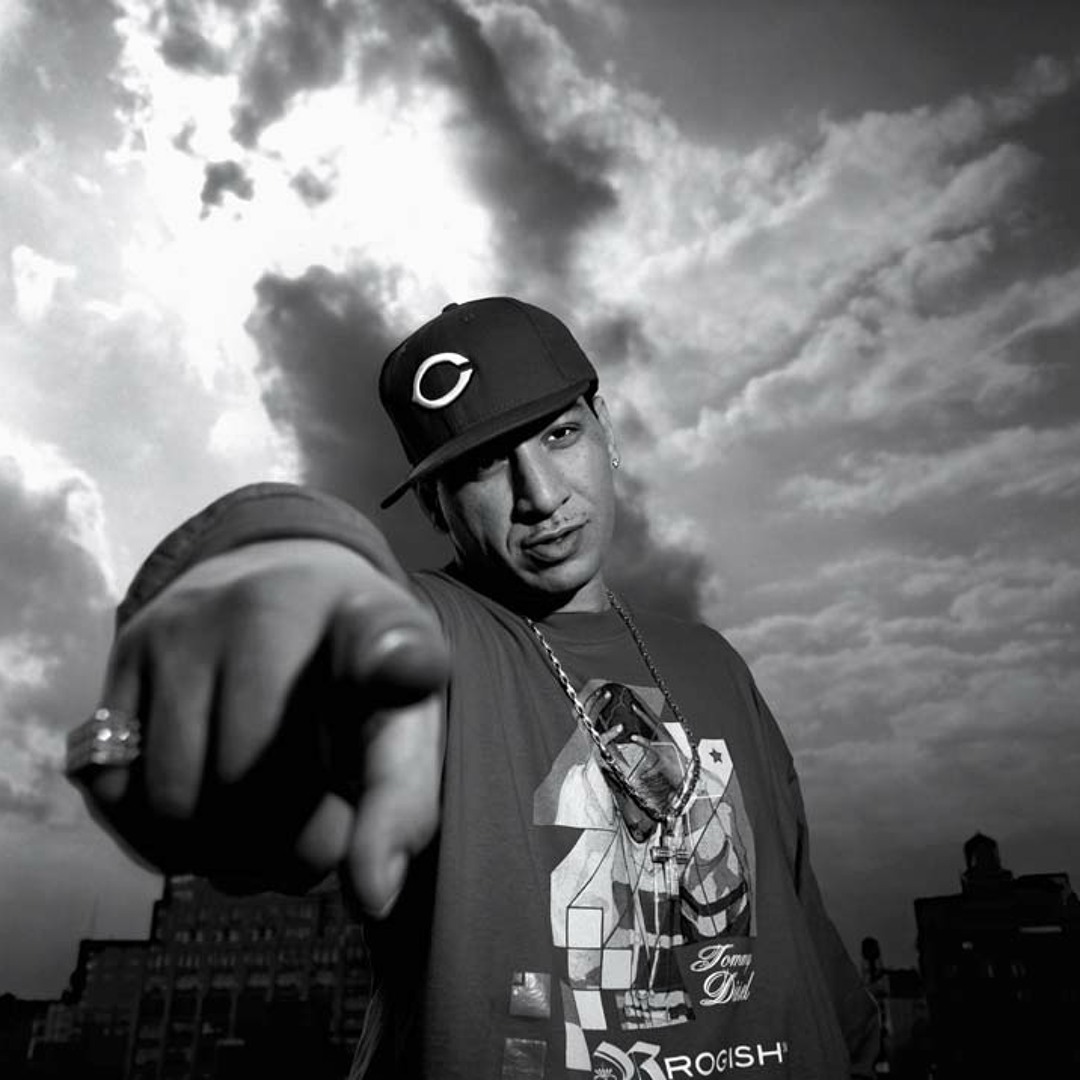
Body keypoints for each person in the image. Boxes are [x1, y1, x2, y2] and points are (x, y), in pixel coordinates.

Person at [67, 297, 879, 1078]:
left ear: (606, 429)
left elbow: (799, 915)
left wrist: (862, 1045)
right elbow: (329, 640)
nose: (542, 496)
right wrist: (264, 572)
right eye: (484, 467)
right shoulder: (433, 638)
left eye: (560, 434)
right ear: (433, 505)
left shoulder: (711, 661)